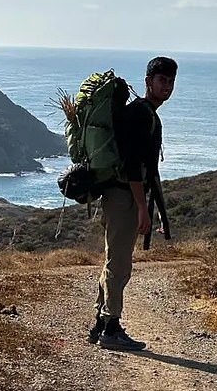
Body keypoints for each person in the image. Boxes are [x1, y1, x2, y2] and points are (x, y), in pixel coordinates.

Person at [88, 56, 178, 351]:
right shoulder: (140, 114)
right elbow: (134, 166)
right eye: (161, 80)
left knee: (114, 258)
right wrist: (141, 207)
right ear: (148, 81)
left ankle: (101, 323)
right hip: (124, 196)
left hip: (120, 195)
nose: (166, 86)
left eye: (170, 81)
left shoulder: (143, 112)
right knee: (120, 263)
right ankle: (111, 328)